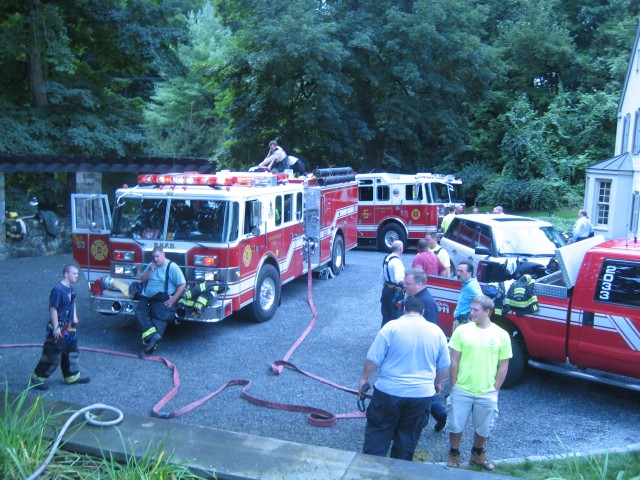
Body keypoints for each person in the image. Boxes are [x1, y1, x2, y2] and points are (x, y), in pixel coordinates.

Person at [359, 296, 451, 461]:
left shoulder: (391, 327)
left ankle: (370, 471)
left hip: (389, 392)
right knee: (407, 438)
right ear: (422, 312)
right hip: (421, 395)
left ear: (404, 309)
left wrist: (364, 379)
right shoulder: (437, 332)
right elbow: (444, 365)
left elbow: (373, 358)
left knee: (378, 434)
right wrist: (437, 383)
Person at [446, 295, 512, 471]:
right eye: (471, 308)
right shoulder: (461, 331)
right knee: (456, 425)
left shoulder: (501, 335)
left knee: (483, 428)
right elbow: (454, 360)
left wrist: (495, 388)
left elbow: (504, 364)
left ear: (487, 312)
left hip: (487, 392)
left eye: (475, 310)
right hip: (461, 389)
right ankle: (454, 454)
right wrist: (453, 385)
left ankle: (477, 455)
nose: (471, 312)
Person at [30, 264, 90, 390]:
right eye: (74, 273)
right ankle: (37, 378)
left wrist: (75, 317)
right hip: (59, 327)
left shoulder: (71, 289)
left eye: (77, 273)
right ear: (66, 274)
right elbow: (53, 309)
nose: (77, 276)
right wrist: (56, 326)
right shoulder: (58, 290)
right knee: (52, 354)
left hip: (69, 326)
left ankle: (72, 376)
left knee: (71, 352)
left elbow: (72, 303)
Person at [402, 268, 448, 431]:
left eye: (408, 283)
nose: (404, 285)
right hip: (414, 351)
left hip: (420, 354)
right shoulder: (417, 297)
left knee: (425, 388)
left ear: (420, 284)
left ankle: (440, 414)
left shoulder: (426, 303)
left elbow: (429, 330)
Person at [136, 246, 186, 357]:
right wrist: (151, 270)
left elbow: (182, 284)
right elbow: (142, 280)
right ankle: (152, 337)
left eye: (158, 256)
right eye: (153, 257)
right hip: (146, 297)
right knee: (140, 315)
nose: (155, 259)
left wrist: (173, 299)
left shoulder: (172, 267)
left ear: (163, 255)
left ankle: (148, 349)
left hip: (162, 299)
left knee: (159, 322)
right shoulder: (151, 265)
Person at [379, 240, 405, 327]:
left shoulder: (387, 259)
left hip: (386, 291)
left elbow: (381, 278)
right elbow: (399, 280)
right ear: (401, 249)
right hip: (395, 293)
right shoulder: (397, 262)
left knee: (385, 317)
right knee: (395, 318)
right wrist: (408, 286)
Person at [452, 261, 482, 331]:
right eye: (457, 271)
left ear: (469, 274)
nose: (458, 274)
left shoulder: (471, 286)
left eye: (461, 271)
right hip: (461, 322)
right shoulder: (468, 284)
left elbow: (483, 301)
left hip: (464, 324)